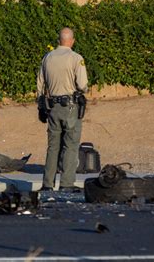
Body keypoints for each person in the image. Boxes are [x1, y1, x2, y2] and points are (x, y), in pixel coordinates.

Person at [36, 27, 89, 192]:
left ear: (59, 40)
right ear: (72, 41)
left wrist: (41, 105)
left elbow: (39, 84)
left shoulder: (47, 58)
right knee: (70, 145)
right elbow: (82, 85)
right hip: (70, 107)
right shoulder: (76, 58)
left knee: (53, 146)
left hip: (52, 106)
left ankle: (47, 183)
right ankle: (66, 183)